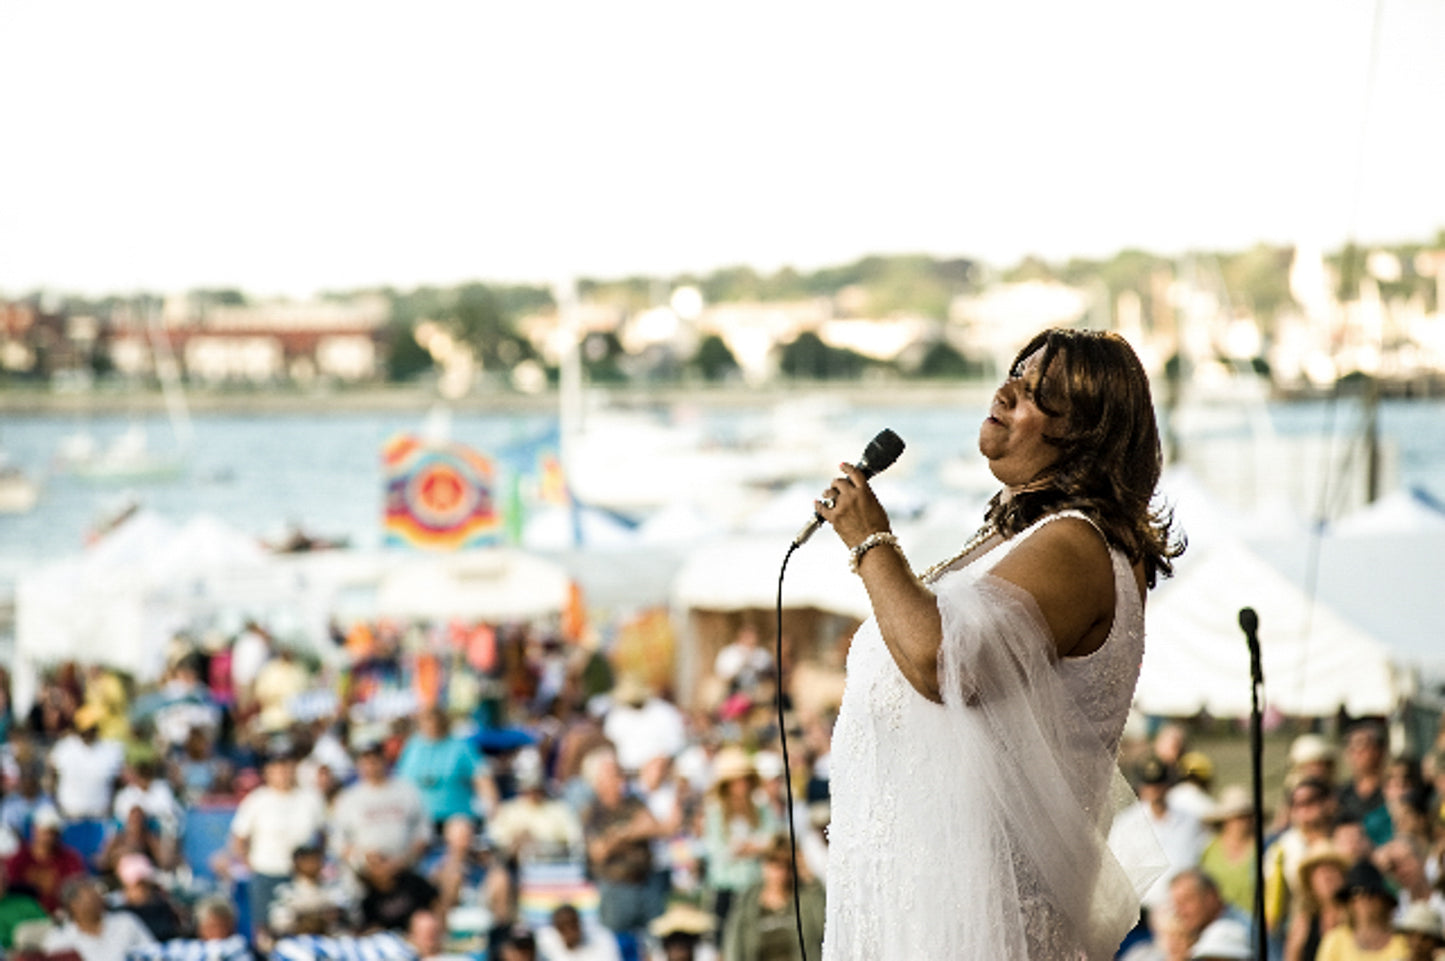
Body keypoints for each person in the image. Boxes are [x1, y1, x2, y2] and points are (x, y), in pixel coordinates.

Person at [815, 328, 1183, 960]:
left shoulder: (1078, 545)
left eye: (1038, 392)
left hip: (983, 923)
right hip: (919, 908)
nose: (1008, 389)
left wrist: (870, 541)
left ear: (1087, 435)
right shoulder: (1023, 538)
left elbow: (942, 662)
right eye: (1016, 373)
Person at [722, 833, 824, 961]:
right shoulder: (748, 900)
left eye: (787, 866)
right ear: (764, 864)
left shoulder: (806, 897)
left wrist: (808, 876)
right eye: (775, 864)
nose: (782, 873)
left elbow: (824, 929)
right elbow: (734, 946)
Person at [42, 877, 157, 961]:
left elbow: (153, 953)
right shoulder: (60, 939)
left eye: (98, 896)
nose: (98, 900)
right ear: (73, 906)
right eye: (91, 898)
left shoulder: (126, 921)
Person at [1314, 860, 1407, 961]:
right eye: (1356, 893)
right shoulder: (1335, 941)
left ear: (1383, 900)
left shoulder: (1403, 941)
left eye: (1371, 893)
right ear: (1349, 901)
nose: (1364, 900)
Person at [536, 903, 624, 961]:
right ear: (556, 928)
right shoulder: (542, 941)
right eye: (563, 927)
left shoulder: (602, 938)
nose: (569, 930)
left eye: (573, 925)